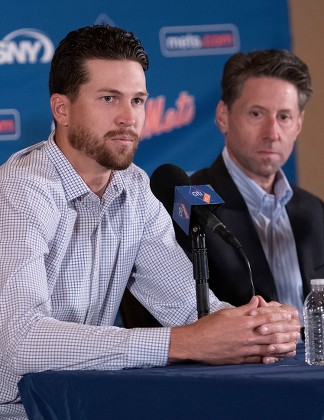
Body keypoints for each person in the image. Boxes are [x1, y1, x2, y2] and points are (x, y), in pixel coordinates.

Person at [0, 27, 300, 419]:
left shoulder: (134, 187)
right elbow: (21, 343)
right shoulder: (21, 190)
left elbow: (189, 308)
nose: (129, 118)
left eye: (138, 100)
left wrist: (254, 330)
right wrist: (184, 342)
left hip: (74, 407)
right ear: (62, 109)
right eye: (109, 99)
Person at [183, 49, 324, 326]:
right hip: (241, 366)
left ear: (298, 125)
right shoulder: (189, 203)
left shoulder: (315, 210)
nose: (272, 133)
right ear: (223, 116)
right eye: (257, 114)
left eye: (284, 117)